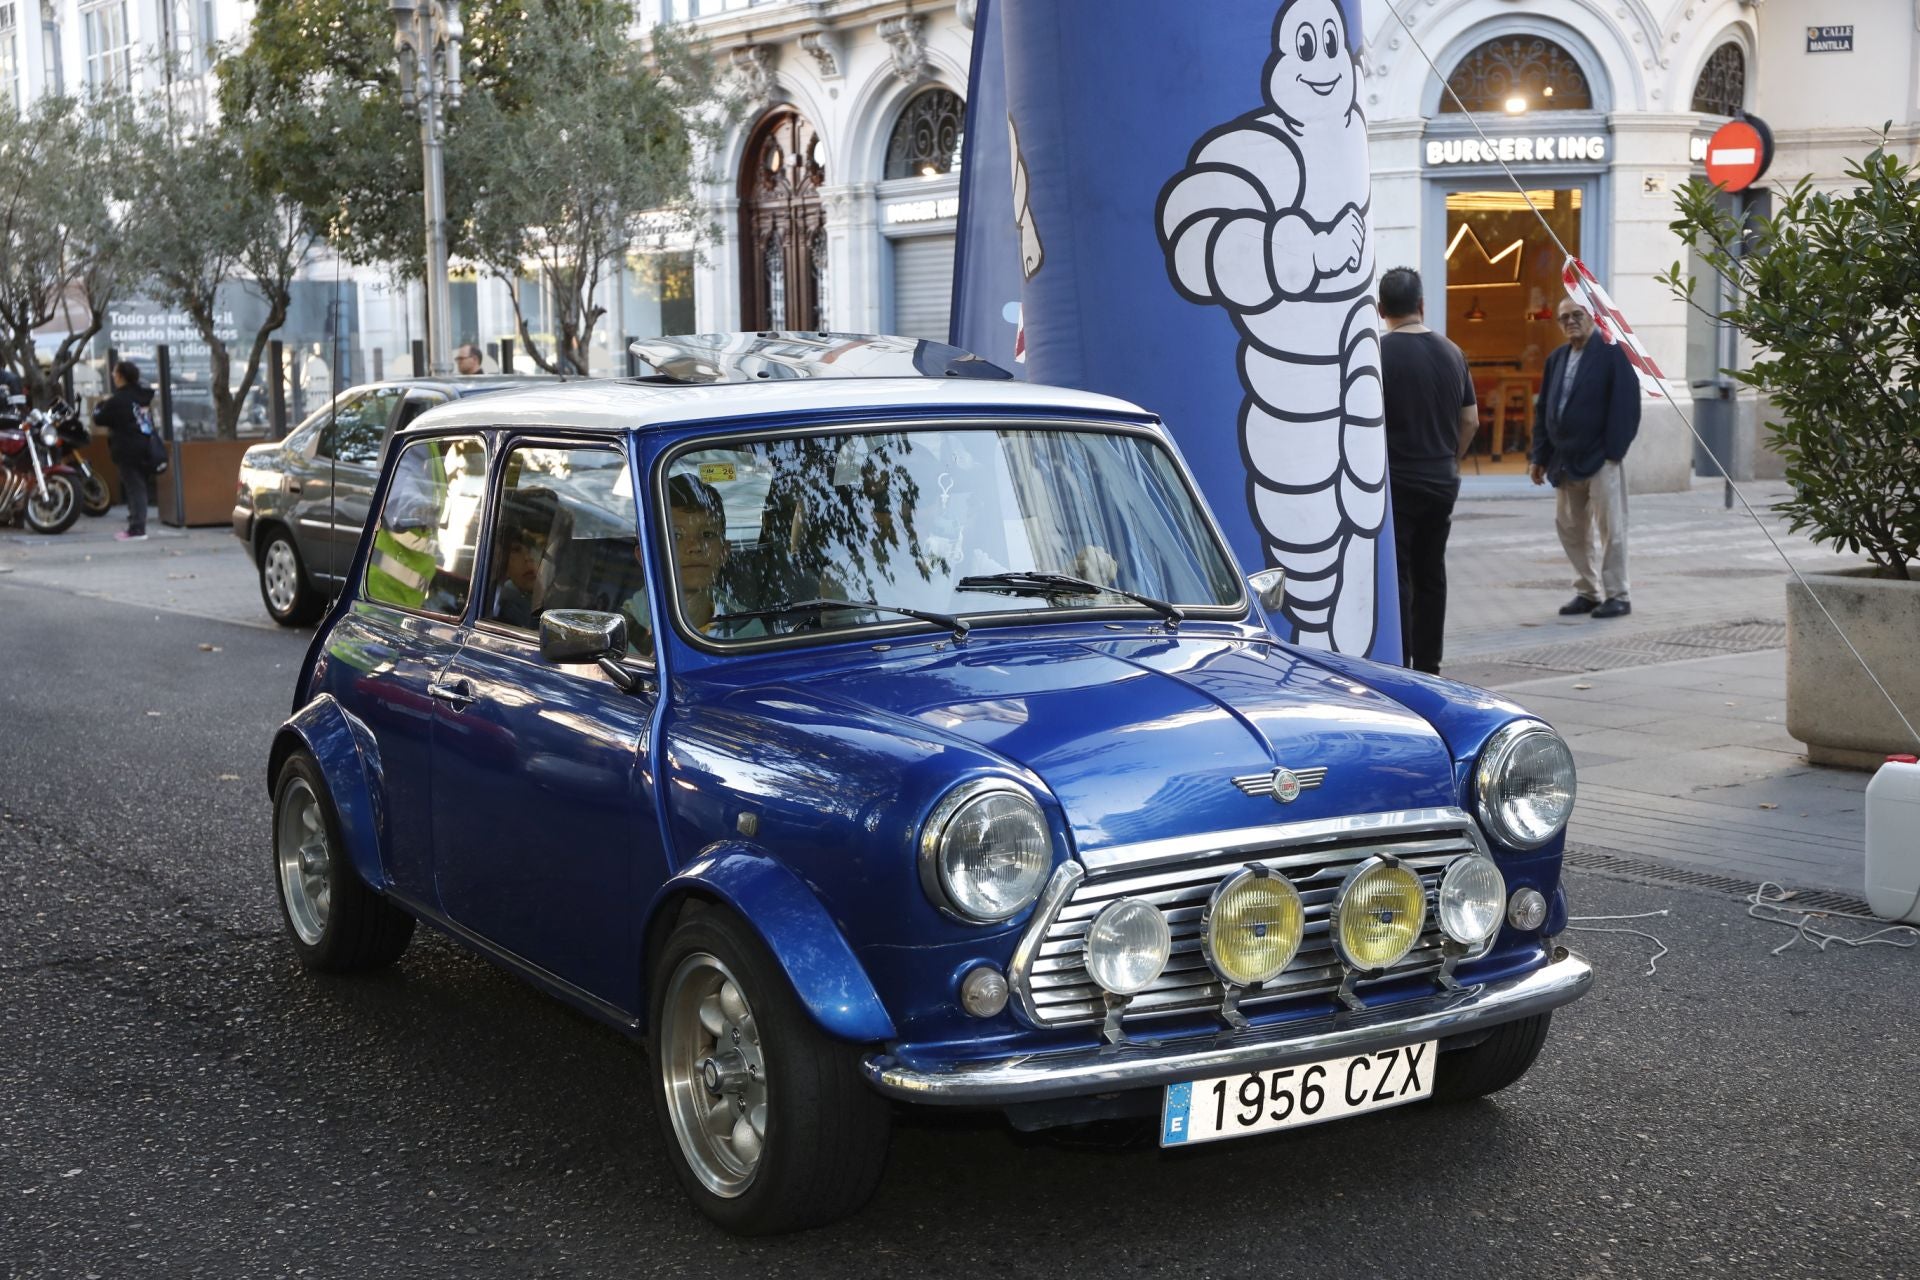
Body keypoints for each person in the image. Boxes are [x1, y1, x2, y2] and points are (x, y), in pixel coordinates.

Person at [1377, 266, 1477, 676]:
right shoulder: (1453, 352)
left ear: (1381, 309)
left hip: (1396, 481)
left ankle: (1401, 663)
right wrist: (1451, 459)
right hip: (1440, 480)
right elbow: (1469, 420)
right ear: (1421, 304)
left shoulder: (1377, 354)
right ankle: (1430, 664)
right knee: (1431, 573)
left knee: (1399, 575)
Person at [1530, 298, 1641, 619]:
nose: (1570, 322)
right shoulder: (1557, 359)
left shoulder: (1612, 355)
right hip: (1564, 459)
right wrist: (1539, 456)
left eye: (1576, 315)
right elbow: (1543, 411)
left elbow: (1626, 407)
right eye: (1563, 318)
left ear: (1592, 317)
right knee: (1569, 527)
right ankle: (1588, 591)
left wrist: (1614, 453)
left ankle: (1618, 594)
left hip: (1601, 458)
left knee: (1612, 529)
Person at [91, 360, 160, 542]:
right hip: (145, 445)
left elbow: (101, 419)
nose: (113, 376)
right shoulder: (142, 396)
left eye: (114, 373)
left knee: (134, 487)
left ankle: (137, 528)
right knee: (139, 486)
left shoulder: (119, 400)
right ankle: (136, 524)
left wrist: (98, 408)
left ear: (121, 376)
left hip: (128, 448)